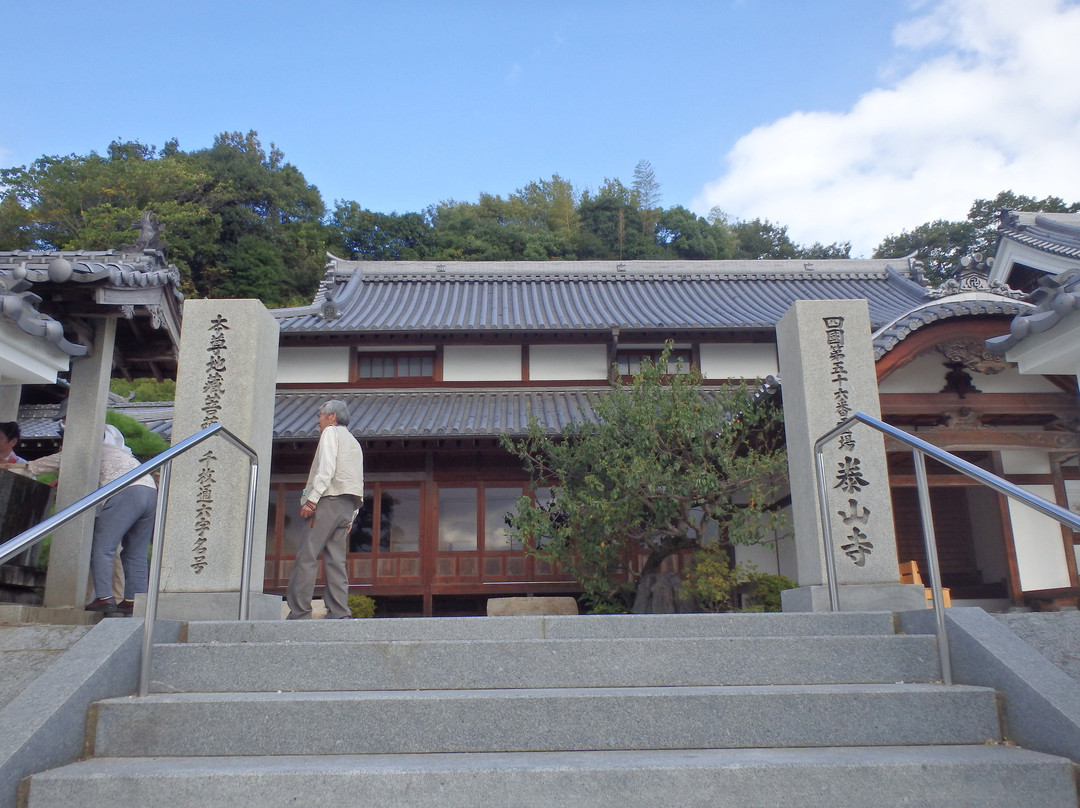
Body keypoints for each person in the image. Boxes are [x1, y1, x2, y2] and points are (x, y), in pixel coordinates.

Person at [16, 425, 158, 616]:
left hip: (126, 493)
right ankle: (134, 601)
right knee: (135, 552)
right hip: (150, 492)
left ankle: (105, 599)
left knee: (102, 548)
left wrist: (12, 467)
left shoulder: (88, 447)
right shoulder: (119, 452)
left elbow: (34, 467)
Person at [286, 399, 364, 620]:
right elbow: (359, 480)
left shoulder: (331, 433)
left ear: (332, 417)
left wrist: (311, 500)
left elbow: (326, 468)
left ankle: (300, 612)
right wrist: (352, 515)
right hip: (347, 507)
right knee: (336, 561)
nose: (318, 420)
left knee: (307, 556)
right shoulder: (354, 442)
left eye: (320, 415)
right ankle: (339, 613)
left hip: (328, 501)